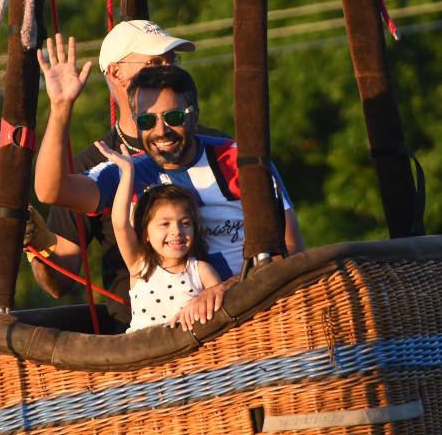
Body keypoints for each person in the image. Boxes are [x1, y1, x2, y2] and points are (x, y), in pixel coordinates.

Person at [34, 34, 303, 326]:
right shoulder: (127, 171)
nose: (161, 131)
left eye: (174, 117)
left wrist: (226, 290)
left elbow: (289, 248)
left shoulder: (239, 160)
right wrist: (60, 108)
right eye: (147, 122)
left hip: (251, 316)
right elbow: (51, 191)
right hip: (163, 334)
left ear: (195, 115)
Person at [24, 21, 226, 330]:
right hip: (141, 334)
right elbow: (60, 280)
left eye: (172, 61)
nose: (167, 69)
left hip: (222, 317)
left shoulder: (219, 150)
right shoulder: (99, 166)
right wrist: (38, 242)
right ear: (117, 73)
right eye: (156, 62)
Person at [94, 139, 221, 332]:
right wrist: (127, 173)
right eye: (165, 224)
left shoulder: (201, 270)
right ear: (145, 233)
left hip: (191, 355)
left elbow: (219, 303)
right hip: (144, 353)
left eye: (185, 223)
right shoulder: (140, 266)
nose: (176, 231)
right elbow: (119, 224)